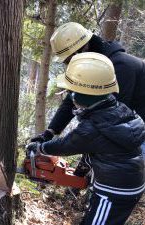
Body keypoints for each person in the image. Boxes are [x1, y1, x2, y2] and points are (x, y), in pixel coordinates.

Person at [28, 52, 145, 225]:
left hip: (112, 190)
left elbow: (65, 145)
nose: (71, 97)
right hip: (128, 183)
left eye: (73, 92)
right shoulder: (119, 110)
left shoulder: (90, 129)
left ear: (83, 96)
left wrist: (40, 147)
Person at [31, 22, 145, 184]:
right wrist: (50, 132)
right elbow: (71, 100)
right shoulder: (90, 67)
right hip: (116, 129)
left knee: (118, 181)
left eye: (68, 59)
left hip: (135, 132)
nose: (68, 64)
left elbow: (108, 123)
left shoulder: (120, 66)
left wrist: (83, 166)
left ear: (83, 48)